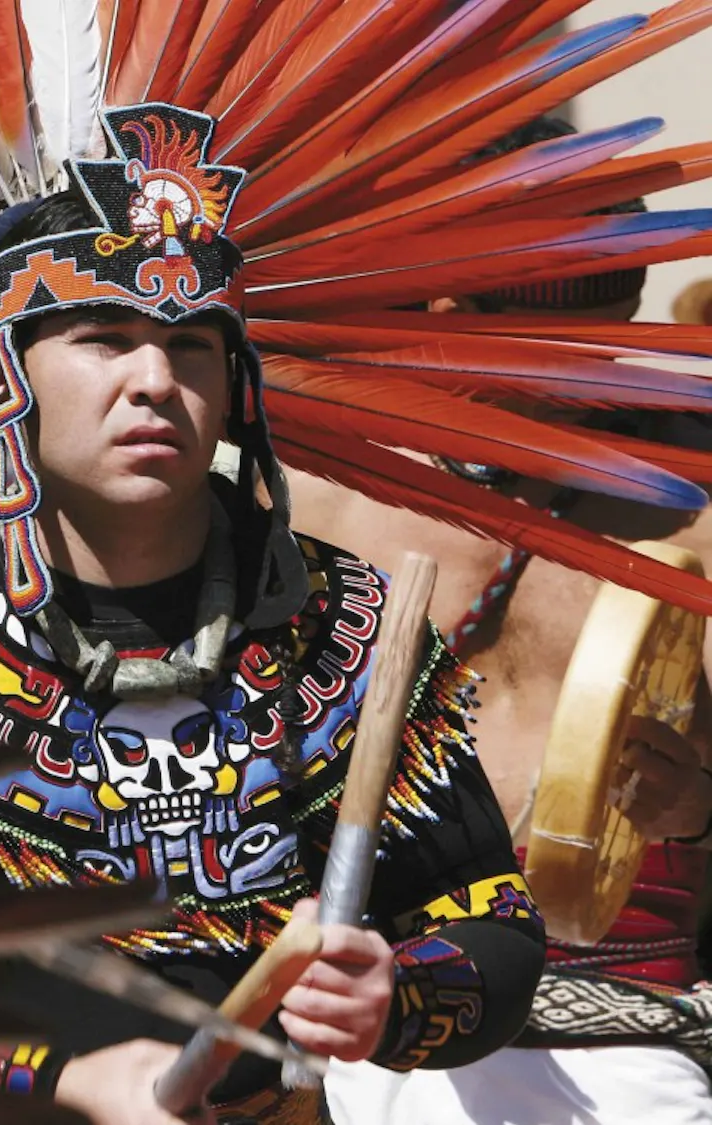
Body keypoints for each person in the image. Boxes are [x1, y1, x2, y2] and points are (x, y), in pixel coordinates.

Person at [0, 103, 547, 1125]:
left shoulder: (349, 620)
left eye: (192, 346)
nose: (155, 381)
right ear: (3, 373)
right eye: (105, 340)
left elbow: (485, 915)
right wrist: (62, 1079)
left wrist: (398, 993)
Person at [303, 119, 712, 1125]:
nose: (579, 373)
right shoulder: (321, 488)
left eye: (606, 332)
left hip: (622, 1040)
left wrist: (696, 803)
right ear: (437, 298)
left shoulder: (693, 497)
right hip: (363, 1028)